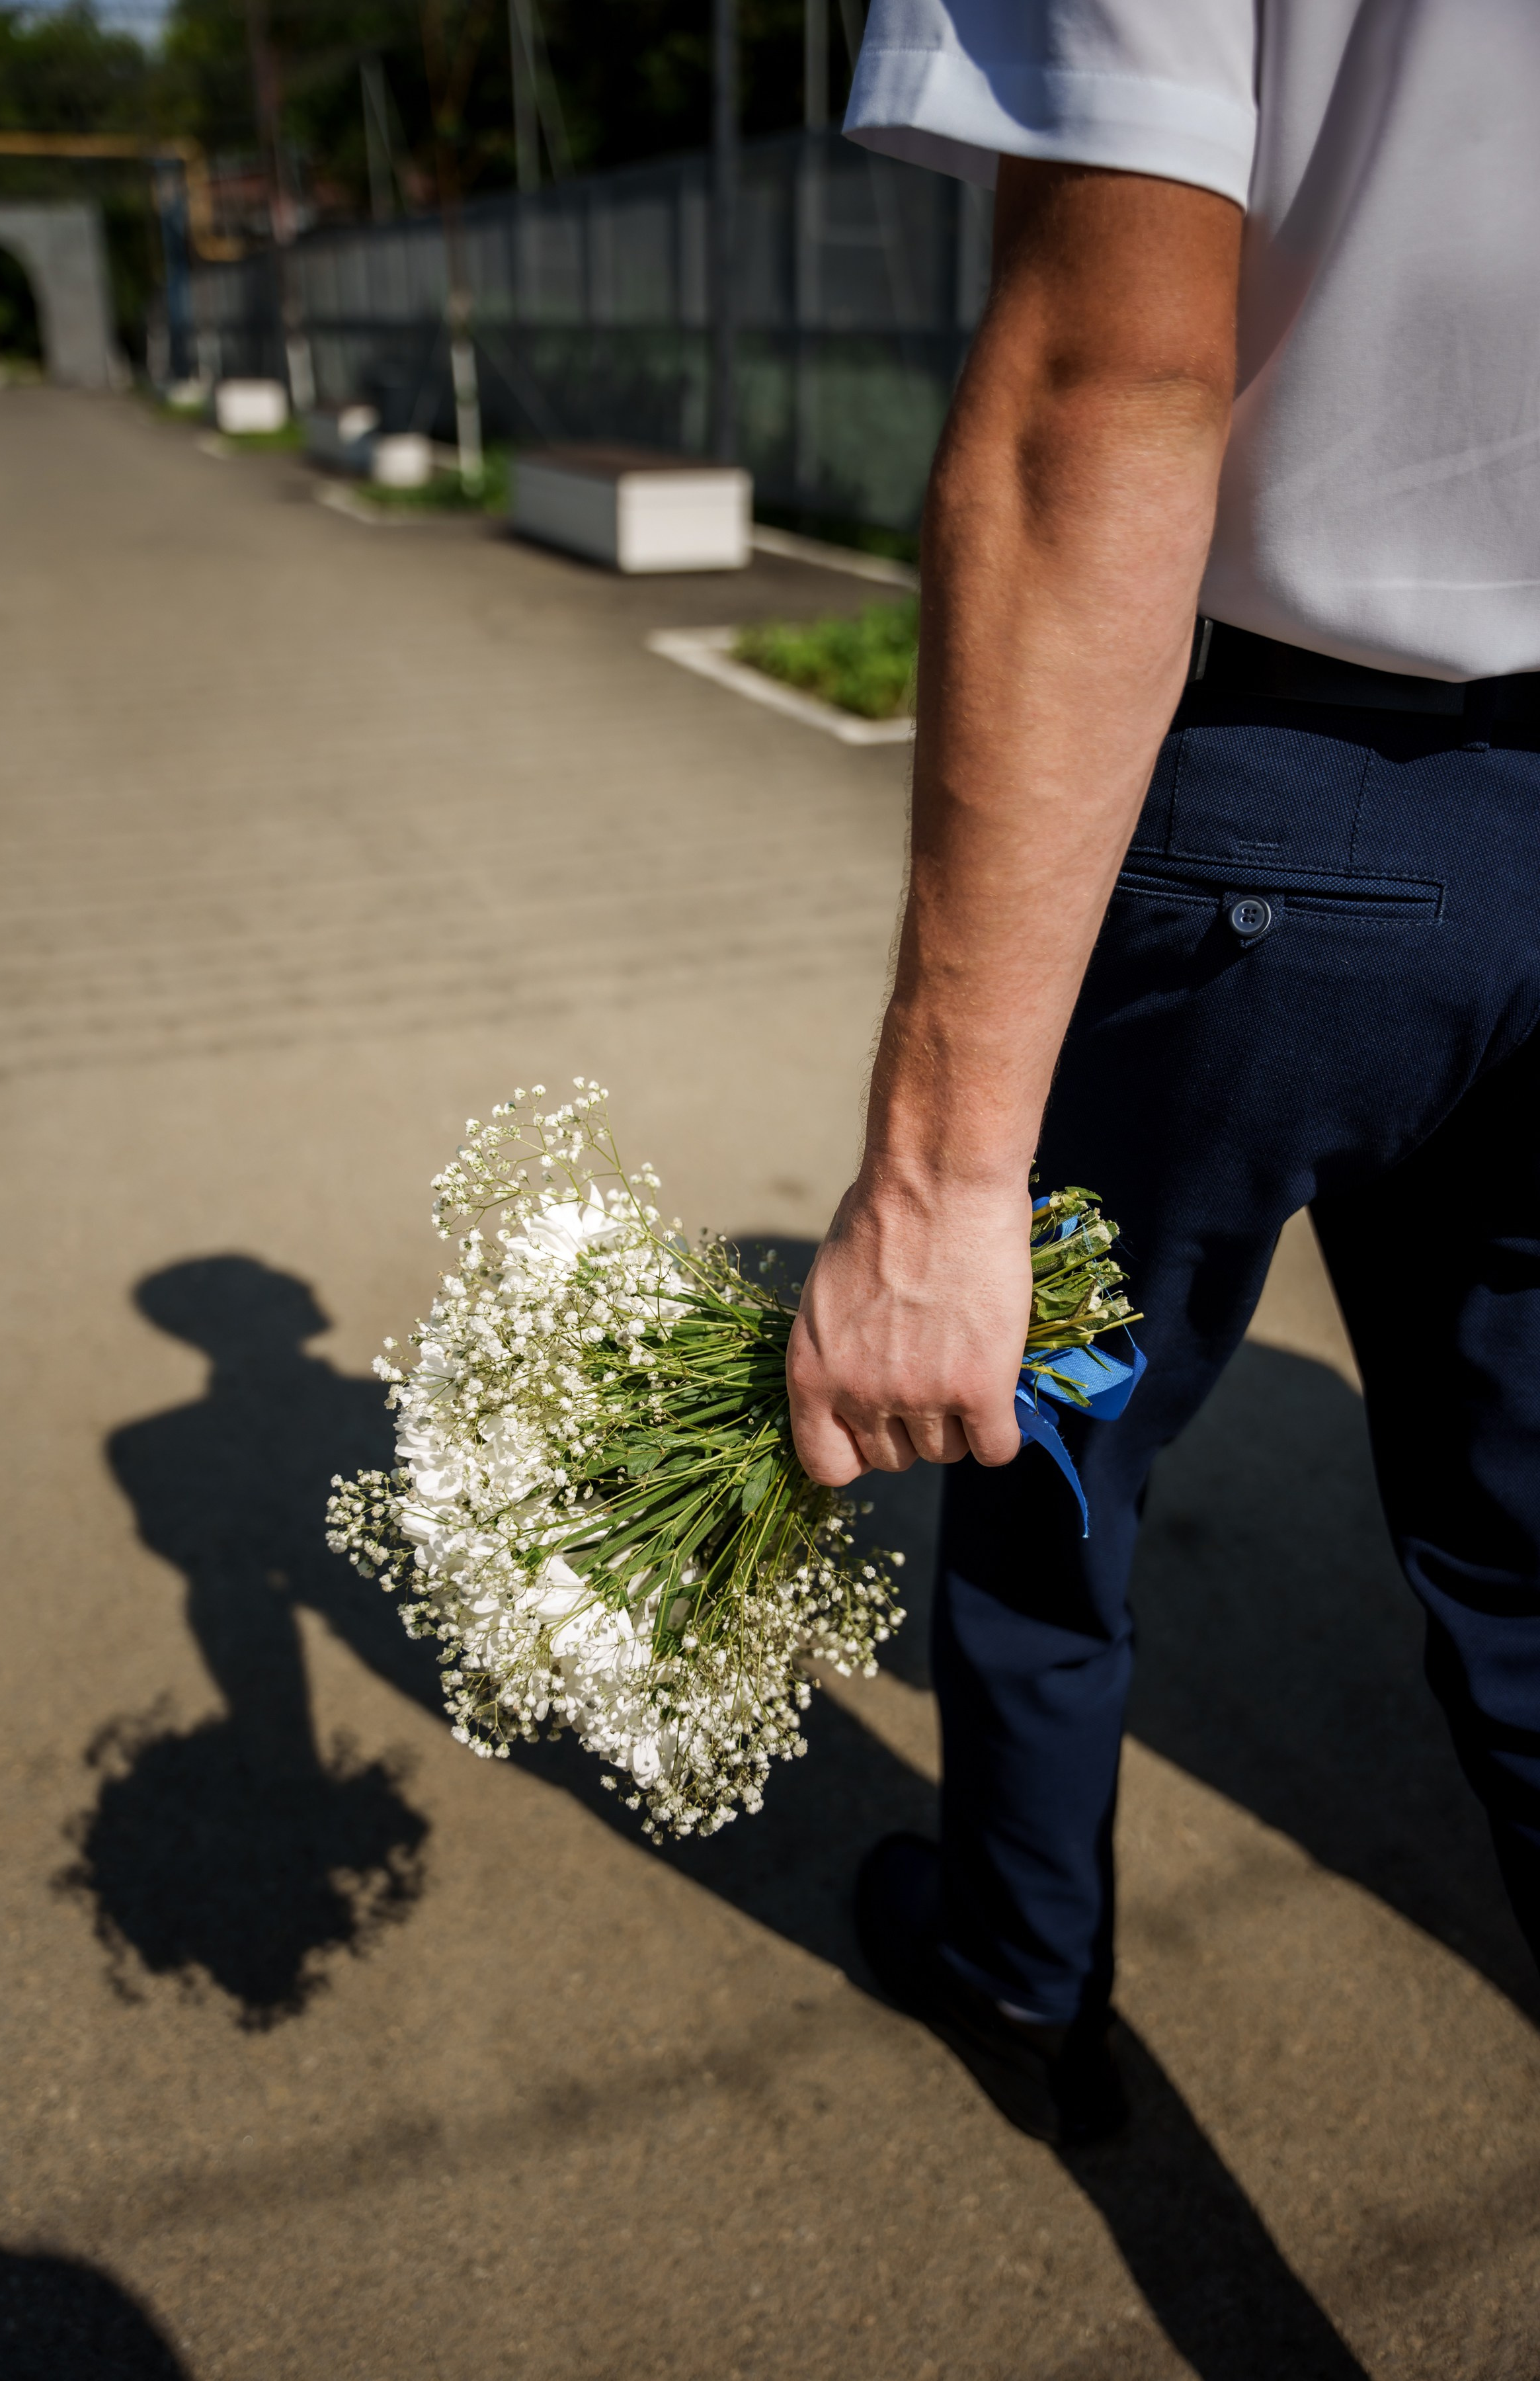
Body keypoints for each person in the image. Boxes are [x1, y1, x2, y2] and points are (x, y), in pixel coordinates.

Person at [785, 0, 1540, 2146]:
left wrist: (935, 1179)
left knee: (1050, 1456)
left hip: (1308, 812)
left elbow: (1102, 387)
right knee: (1530, 1562)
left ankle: (1024, 1967)